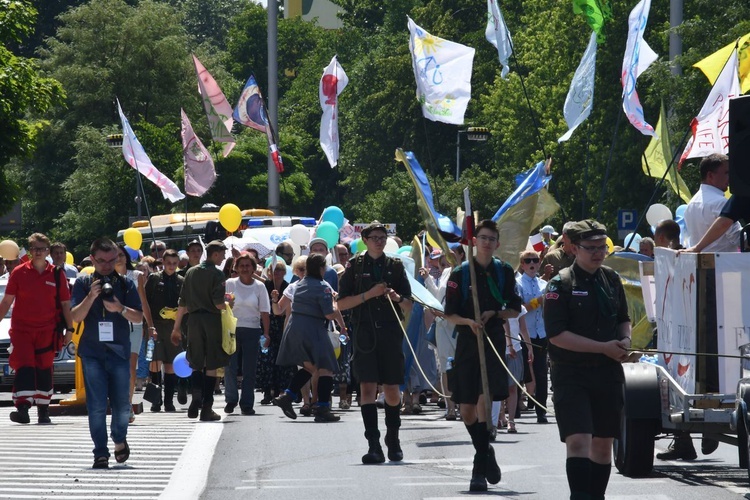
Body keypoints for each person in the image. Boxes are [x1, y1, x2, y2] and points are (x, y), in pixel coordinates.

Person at [543, 219, 631, 500]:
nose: (597, 253)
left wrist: (625, 342)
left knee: (603, 446)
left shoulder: (612, 279)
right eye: (590, 248)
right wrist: (602, 347)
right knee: (579, 441)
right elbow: (556, 335)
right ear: (574, 248)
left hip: (607, 373)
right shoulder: (561, 283)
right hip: (571, 374)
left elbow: (623, 320)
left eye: (601, 247)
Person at [443, 219, 522, 492]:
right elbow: (448, 313)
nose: (487, 242)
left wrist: (495, 314)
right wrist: (468, 322)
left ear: (497, 243)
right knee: (465, 409)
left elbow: (515, 308)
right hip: (467, 342)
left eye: (492, 239)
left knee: (483, 403)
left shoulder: (504, 271)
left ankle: (477, 471)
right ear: (474, 241)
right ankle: (486, 451)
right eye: (483, 238)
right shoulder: (460, 274)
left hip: (493, 342)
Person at [337, 221, 412, 464]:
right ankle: (373, 444)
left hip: (390, 333)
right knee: (367, 389)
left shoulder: (395, 266)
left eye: (383, 237)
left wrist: (396, 297)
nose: (379, 241)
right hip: (364, 334)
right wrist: (369, 295)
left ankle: (393, 437)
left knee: (391, 389)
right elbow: (341, 303)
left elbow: (410, 304)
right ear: (365, 240)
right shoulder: (355, 266)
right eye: (375, 237)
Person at [71, 238, 143, 469]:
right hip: (92, 352)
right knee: (97, 405)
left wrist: (120, 308)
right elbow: (75, 316)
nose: (107, 266)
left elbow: (139, 317)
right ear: (92, 259)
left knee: (122, 405)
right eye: (101, 261)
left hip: (119, 351)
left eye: (112, 260)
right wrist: (91, 296)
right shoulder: (82, 283)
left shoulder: (125, 284)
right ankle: (100, 452)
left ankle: (119, 439)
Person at [1, 233, 74, 424]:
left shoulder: (57, 274)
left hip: (48, 331)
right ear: (30, 250)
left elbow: (66, 304)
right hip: (22, 331)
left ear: (47, 251)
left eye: (42, 249)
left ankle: (43, 410)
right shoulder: (18, 272)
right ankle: (23, 409)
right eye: (34, 249)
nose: (38, 252)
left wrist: (70, 330)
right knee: (24, 366)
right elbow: (7, 301)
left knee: (44, 368)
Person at [273, 254, 348, 423]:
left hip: (295, 328)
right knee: (326, 368)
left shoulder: (299, 284)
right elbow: (329, 314)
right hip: (313, 329)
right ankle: (322, 408)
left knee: (310, 367)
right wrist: (335, 303)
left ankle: (288, 396)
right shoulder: (323, 287)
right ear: (321, 269)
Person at [170, 240, 228, 422]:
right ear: (215, 254)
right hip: (211, 320)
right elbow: (219, 303)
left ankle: (196, 398)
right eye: (222, 254)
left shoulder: (190, 272)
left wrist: (176, 328)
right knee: (211, 365)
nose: (224, 257)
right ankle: (207, 407)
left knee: (196, 362)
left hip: (193, 321)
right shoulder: (218, 274)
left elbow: (183, 302)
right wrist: (229, 304)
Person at [224, 253, 270, 415]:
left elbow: (264, 311)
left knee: (249, 369)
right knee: (230, 366)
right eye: (241, 266)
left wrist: (266, 333)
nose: (244, 268)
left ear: (253, 268)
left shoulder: (259, 286)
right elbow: (224, 306)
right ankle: (231, 399)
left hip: (252, 330)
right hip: (232, 329)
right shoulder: (230, 283)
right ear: (236, 268)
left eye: (248, 265)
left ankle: (247, 403)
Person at [143, 249, 184, 412]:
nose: (171, 266)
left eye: (174, 263)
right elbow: (145, 302)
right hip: (156, 326)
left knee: (170, 364)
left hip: (173, 327)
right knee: (154, 362)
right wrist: (149, 325)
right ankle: (155, 400)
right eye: (168, 263)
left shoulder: (181, 280)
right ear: (163, 262)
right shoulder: (154, 279)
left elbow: (185, 304)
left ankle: (168, 401)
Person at [114, 244, 150, 421]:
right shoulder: (106, 277)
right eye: (116, 255)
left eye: (122, 255)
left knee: (130, 366)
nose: (119, 258)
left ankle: (127, 405)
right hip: (113, 327)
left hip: (134, 326)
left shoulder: (136, 276)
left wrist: (150, 326)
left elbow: (143, 302)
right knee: (114, 367)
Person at [516, 249, 550, 423]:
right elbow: (521, 309)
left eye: (535, 260)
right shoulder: (518, 283)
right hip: (523, 333)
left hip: (541, 333)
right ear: (522, 264)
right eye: (528, 261)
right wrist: (539, 301)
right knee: (520, 372)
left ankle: (541, 409)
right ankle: (515, 407)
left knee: (541, 372)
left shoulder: (545, 284)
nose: (532, 264)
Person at [684, 153, 741, 252]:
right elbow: (738, 238)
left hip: (699, 264)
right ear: (710, 175)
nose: (730, 177)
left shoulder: (691, 204)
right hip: (725, 265)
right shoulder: (722, 203)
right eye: (726, 173)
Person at [258, 260, 293, 405]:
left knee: (281, 359)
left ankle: (279, 390)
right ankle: (267, 391)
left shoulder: (287, 287)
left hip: (282, 325)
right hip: (266, 325)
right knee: (266, 359)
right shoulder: (265, 286)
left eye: (279, 270)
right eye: (273, 270)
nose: (276, 273)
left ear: (284, 272)